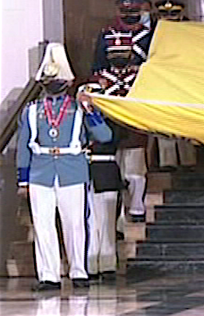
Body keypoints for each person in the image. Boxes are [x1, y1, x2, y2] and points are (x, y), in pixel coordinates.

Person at [16, 43, 112, 291]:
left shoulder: (78, 107)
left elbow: (104, 136)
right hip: (41, 172)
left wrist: (91, 110)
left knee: (75, 223)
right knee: (43, 225)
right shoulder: (31, 111)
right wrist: (23, 180)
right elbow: (24, 147)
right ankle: (49, 275)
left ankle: (79, 271)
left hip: (72, 170)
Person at [88, 44, 148, 223]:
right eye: (114, 53)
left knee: (136, 175)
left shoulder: (140, 76)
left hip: (133, 131)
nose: (119, 57)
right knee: (114, 180)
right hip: (108, 135)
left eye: (122, 53)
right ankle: (119, 221)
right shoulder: (99, 77)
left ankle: (137, 209)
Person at [78, 83, 125, 281]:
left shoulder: (112, 118)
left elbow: (106, 137)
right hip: (84, 171)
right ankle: (90, 264)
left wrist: (92, 114)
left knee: (106, 223)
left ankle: (107, 264)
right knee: (90, 222)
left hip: (105, 169)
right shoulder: (75, 120)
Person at [153, 0, 197, 171]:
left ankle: (188, 160)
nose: (169, 18)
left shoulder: (190, 33)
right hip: (162, 83)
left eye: (173, 14)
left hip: (185, 83)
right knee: (164, 122)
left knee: (185, 120)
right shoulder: (153, 34)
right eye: (165, 14)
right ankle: (168, 161)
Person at [93, 0, 152, 73]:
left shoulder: (150, 33)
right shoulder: (108, 34)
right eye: (124, 12)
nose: (128, 15)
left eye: (133, 12)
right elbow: (100, 61)